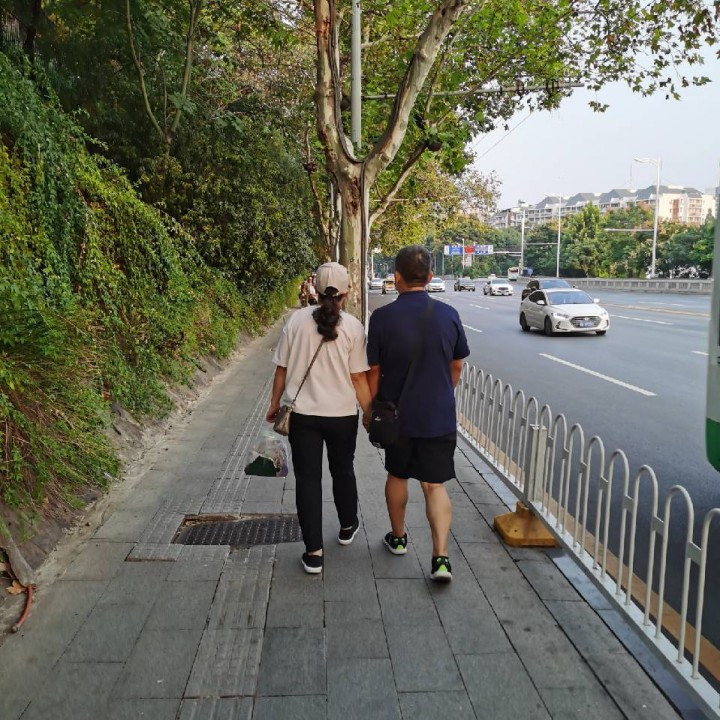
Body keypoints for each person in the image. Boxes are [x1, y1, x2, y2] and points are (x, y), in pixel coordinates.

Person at [366, 245, 469, 582]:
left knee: (397, 475)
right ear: (430, 277)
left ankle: (398, 538)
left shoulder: (382, 318)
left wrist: (370, 408)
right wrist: (442, 393)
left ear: (396, 277)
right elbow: (457, 365)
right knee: (434, 485)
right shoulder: (448, 314)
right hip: (438, 415)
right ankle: (441, 558)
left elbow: (374, 371)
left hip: (396, 416)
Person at [267, 262, 372, 574]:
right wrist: (369, 412)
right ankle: (347, 525)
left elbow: (282, 368)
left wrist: (274, 404)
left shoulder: (296, 321)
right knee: (343, 470)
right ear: (346, 293)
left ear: (315, 289)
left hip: (302, 416)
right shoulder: (353, 327)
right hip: (342, 416)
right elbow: (358, 379)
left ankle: (313, 552)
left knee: (308, 480)